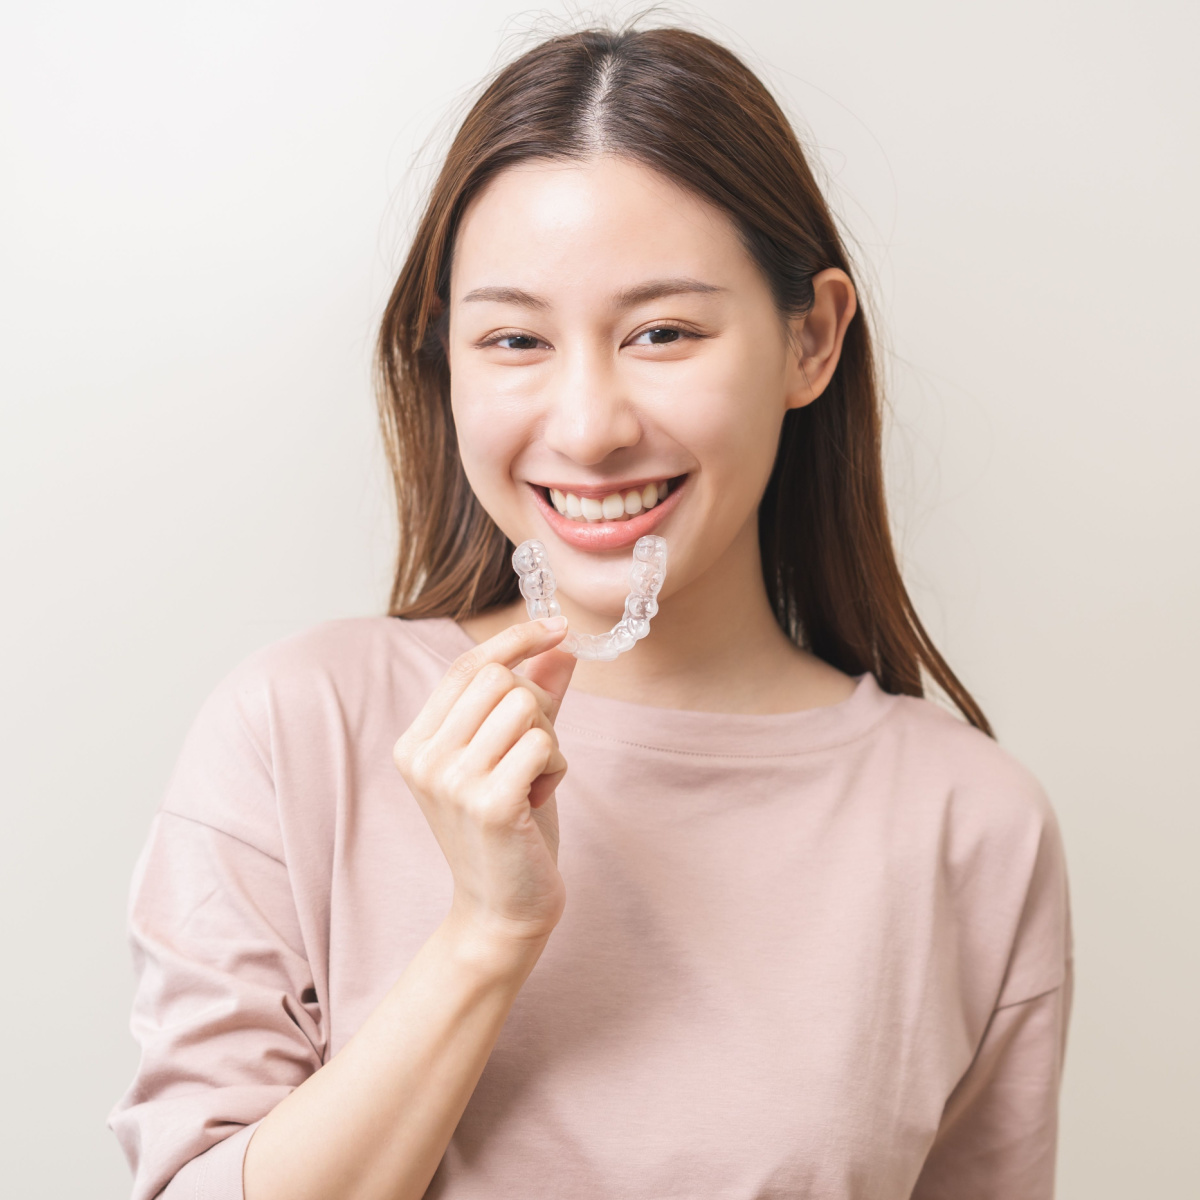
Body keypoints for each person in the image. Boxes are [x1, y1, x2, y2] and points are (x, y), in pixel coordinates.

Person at [109, 25, 1072, 1200]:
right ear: (446, 361)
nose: (589, 424)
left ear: (810, 339)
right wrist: (483, 938)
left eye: (662, 332)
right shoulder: (296, 730)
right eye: (515, 339)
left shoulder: (972, 826)